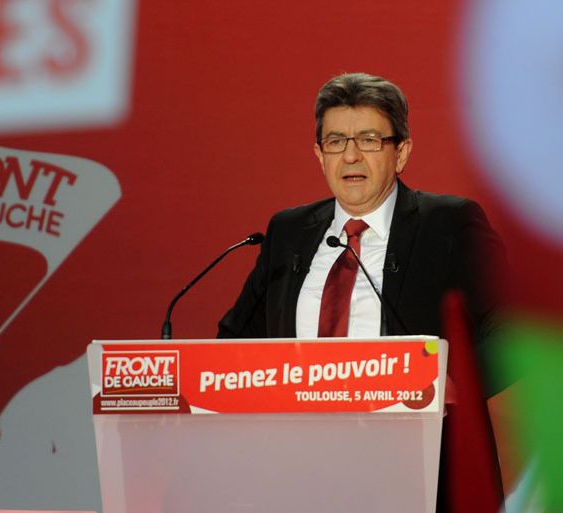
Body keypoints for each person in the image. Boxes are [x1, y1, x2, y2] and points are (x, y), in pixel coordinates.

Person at [218, 72, 509, 512]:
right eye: (335, 141)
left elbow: (519, 324)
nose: (350, 155)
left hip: (422, 472)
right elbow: (234, 342)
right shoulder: (288, 232)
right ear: (319, 155)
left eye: (369, 139)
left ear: (402, 152)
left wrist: (449, 386)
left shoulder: (448, 225)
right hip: (298, 477)